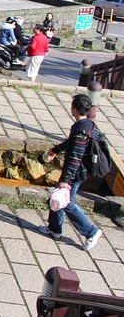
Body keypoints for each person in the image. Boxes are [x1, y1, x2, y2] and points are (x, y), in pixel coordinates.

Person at [38, 94, 103, 251]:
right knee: (59, 196)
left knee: (66, 201)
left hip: (75, 173)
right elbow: (71, 142)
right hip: (79, 171)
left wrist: (66, 179)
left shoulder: (81, 131)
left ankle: (91, 232)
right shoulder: (87, 125)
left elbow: (75, 157)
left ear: (74, 109)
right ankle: (54, 228)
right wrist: (56, 149)